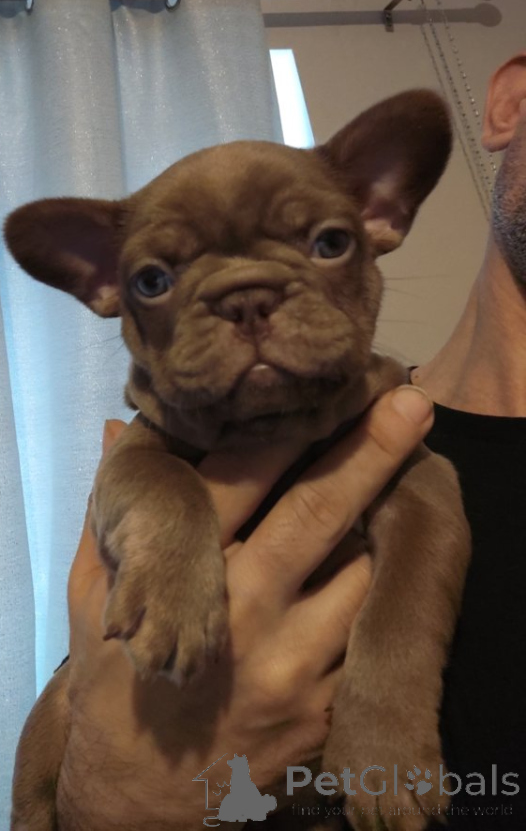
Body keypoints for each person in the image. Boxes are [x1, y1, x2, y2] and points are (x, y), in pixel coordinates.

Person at [53, 53, 526, 830]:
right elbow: (85, 707)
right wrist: (109, 796)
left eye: (325, 243)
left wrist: (386, 703)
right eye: (156, 280)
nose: (248, 306)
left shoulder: (388, 429)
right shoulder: (172, 441)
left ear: (381, 212)